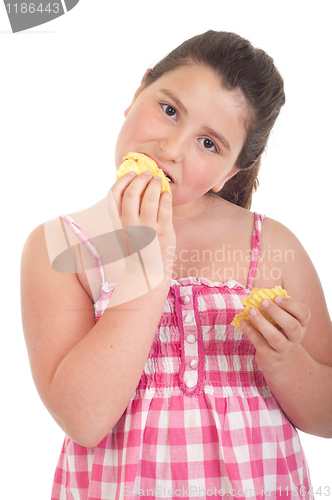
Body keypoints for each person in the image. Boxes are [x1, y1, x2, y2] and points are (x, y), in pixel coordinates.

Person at [20, 30, 332, 500]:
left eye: (209, 144)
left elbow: (326, 415)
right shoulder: (59, 247)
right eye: (168, 110)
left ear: (232, 172)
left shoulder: (270, 245)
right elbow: (83, 419)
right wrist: (146, 267)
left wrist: (287, 362)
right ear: (138, 90)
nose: (171, 148)